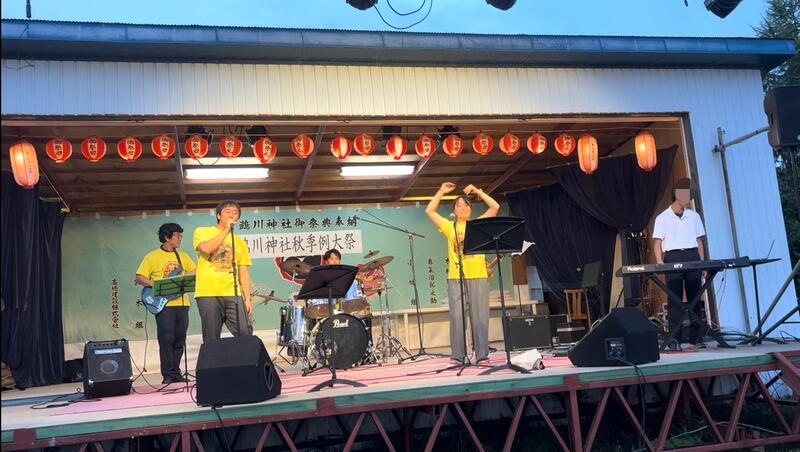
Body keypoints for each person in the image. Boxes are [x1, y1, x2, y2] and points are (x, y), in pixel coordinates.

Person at [426, 182, 500, 364]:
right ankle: (458, 356)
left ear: (471, 209)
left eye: (466, 205)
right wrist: (441, 191)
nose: (462, 208)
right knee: (457, 318)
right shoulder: (449, 226)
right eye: (458, 205)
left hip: (478, 275)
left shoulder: (478, 224)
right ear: (454, 210)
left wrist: (477, 191)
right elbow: (430, 211)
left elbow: (495, 206)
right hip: (456, 277)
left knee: (480, 318)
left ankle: (482, 355)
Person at [135, 223, 196, 384]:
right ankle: (167, 374)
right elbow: (139, 277)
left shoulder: (183, 256)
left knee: (180, 339)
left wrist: (188, 275)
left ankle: (176, 373)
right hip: (164, 305)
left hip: (182, 303)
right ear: (167, 237)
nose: (180, 239)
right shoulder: (152, 256)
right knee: (166, 338)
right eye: (177, 236)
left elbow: (195, 271)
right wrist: (157, 285)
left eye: (181, 236)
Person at [653, 178, 707, 347]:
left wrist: (703, 263)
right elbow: (657, 243)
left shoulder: (694, 216)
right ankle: (675, 338)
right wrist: (659, 260)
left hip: (692, 256)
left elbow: (699, 242)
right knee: (674, 299)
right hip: (673, 256)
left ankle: (697, 337)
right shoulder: (662, 217)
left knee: (695, 296)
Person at [193, 200, 253, 342]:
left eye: (235, 213)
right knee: (212, 338)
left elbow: (243, 272)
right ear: (218, 215)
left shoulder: (240, 242)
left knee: (245, 332)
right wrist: (226, 230)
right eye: (228, 211)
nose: (232, 215)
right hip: (208, 293)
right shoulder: (203, 232)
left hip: (233, 293)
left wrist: (247, 298)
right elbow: (206, 249)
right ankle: (213, 357)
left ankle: (243, 358)